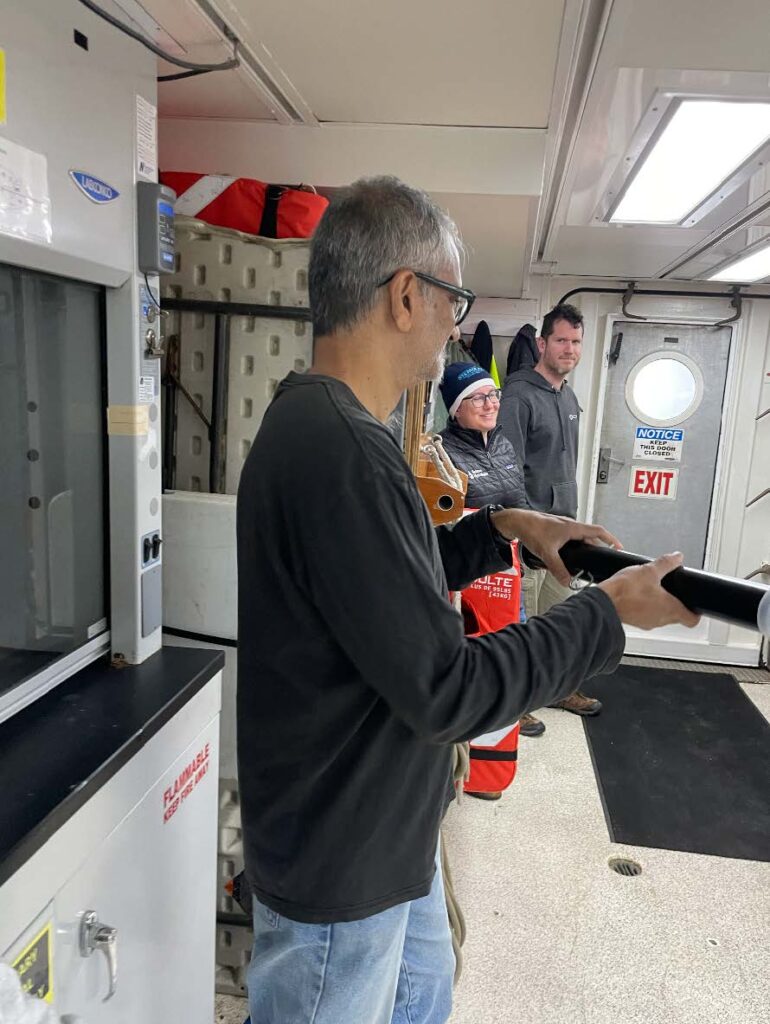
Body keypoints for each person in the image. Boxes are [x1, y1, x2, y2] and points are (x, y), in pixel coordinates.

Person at [236, 176, 698, 1024]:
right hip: (344, 863)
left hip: (387, 838)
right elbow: (445, 687)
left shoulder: (326, 428)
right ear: (406, 295)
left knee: (422, 1002)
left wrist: (511, 526)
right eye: (454, 300)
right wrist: (607, 613)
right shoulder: (343, 450)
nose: (458, 324)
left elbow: (386, 591)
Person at [499, 303, 601, 717]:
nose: (569, 349)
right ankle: (518, 703)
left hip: (564, 534)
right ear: (542, 343)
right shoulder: (519, 396)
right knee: (523, 625)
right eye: (561, 340)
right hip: (530, 536)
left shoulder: (569, 396)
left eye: (576, 342)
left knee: (559, 620)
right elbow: (508, 470)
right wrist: (527, 531)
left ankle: (557, 688)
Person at [439, 361, 546, 742]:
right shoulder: (444, 455)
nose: (490, 404)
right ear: (456, 409)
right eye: (477, 398)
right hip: (470, 581)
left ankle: (509, 712)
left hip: (507, 571)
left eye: (493, 394)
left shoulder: (502, 444)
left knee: (512, 640)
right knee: (478, 656)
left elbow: (519, 503)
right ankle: (476, 738)